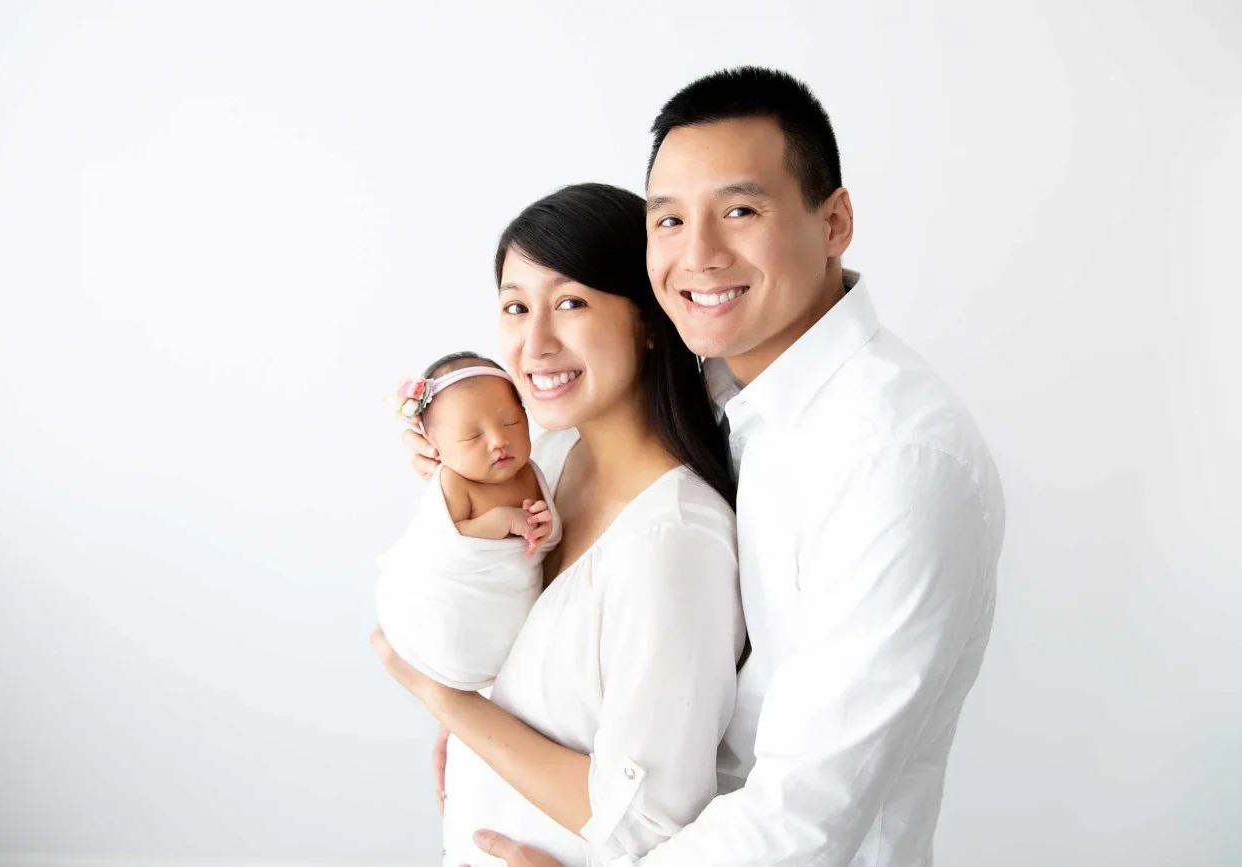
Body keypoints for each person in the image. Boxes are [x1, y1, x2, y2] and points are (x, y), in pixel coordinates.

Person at [462, 66, 1007, 866]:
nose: (699, 255)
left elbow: (804, 811)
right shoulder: (718, 391)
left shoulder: (895, 458)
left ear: (836, 221)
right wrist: (455, 450)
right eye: (670, 221)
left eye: (740, 210)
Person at [371, 183, 745, 865]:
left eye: (571, 302)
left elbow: (649, 816)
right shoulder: (551, 459)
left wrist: (446, 700)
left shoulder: (674, 541)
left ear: (649, 318)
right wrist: (449, 480)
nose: (535, 342)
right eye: (516, 307)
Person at [375, 352, 559, 692]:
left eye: (511, 424)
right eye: (472, 437)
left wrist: (543, 528)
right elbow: (448, 543)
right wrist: (500, 520)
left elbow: (544, 541)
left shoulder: (530, 471)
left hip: (505, 604)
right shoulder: (454, 482)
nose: (498, 440)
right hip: (452, 602)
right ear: (435, 448)